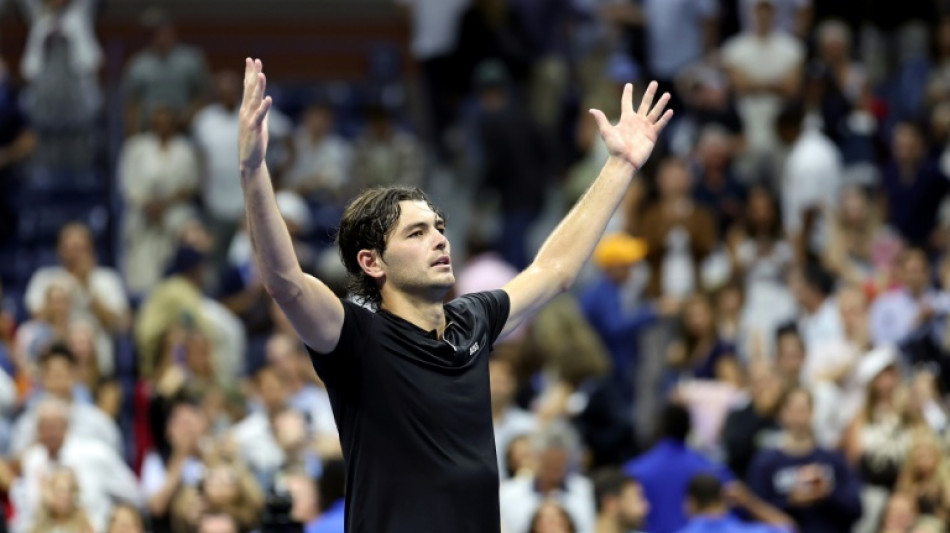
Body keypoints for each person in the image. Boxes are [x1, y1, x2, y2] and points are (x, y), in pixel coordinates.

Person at [237, 57, 673, 532]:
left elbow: (555, 269)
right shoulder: (354, 339)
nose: (440, 239)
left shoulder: (473, 320)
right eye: (417, 233)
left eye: (440, 228)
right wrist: (254, 169)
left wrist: (620, 165)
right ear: (372, 262)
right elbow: (286, 281)